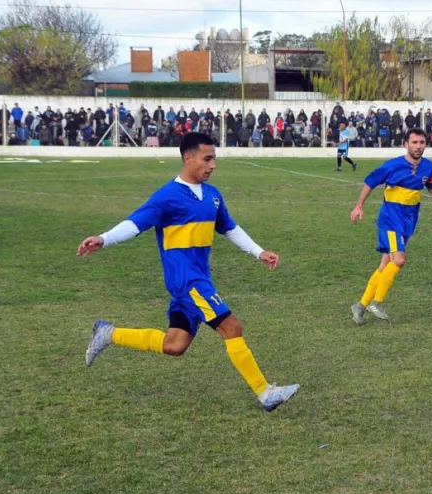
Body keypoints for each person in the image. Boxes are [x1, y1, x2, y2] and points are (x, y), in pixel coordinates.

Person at [75, 133, 299, 412]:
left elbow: (229, 228)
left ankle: (109, 333)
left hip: (198, 279)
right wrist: (104, 238)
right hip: (187, 282)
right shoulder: (167, 197)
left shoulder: (213, 196)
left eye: (214, 158)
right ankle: (265, 393)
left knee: (175, 345)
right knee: (232, 327)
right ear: (188, 158)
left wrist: (258, 251)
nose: (213, 164)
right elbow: (135, 223)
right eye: (207, 158)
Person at [349, 129, 432, 324]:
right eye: (414, 142)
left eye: (422, 142)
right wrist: (358, 206)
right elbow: (370, 182)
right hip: (391, 219)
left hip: (409, 219)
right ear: (406, 144)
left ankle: (360, 305)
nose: (418, 146)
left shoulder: (428, 167)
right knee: (399, 260)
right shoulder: (393, 165)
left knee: (385, 265)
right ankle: (377, 302)